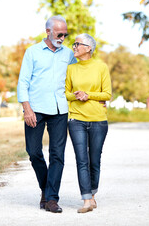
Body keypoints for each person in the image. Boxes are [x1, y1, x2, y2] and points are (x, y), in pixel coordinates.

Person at [17, 15, 77, 213]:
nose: (63, 37)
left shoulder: (68, 54)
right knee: (33, 152)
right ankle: (46, 188)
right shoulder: (32, 52)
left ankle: (51, 199)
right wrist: (26, 108)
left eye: (65, 34)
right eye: (59, 33)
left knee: (57, 155)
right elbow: (23, 82)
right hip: (35, 109)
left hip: (60, 110)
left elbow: (79, 76)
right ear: (48, 32)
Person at [65, 33, 112, 213]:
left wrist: (88, 95)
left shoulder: (101, 67)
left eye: (78, 44)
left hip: (98, 120)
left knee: (94, 160)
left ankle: (92, 195)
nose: (74, 46)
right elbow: (65, 92)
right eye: (74, 44)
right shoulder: (71, 69)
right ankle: (86, 200)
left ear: (88, 48)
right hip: (76, 119)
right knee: (81, 160)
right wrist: (77, 95)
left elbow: (107, 94)